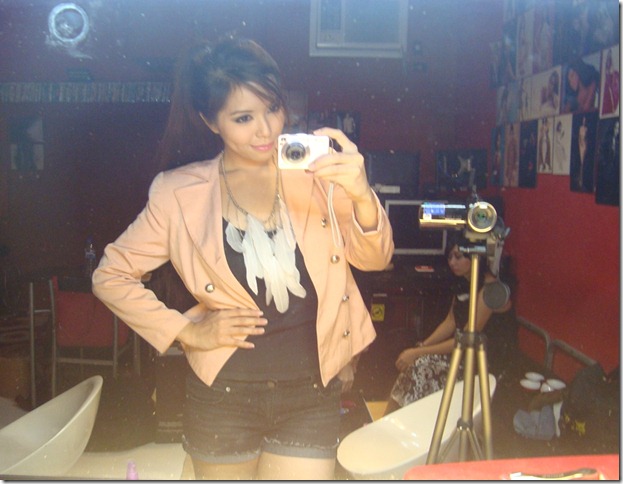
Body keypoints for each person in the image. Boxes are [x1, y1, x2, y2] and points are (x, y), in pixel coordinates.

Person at [92, 37, 394, 480]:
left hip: (311, 392)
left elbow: (375, 260)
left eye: (273, 109)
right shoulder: (179, 193)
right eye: (243, 118)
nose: (265, 131)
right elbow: (111, 275)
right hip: (224, 396)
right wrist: (186, 331)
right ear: (210, 121)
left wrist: (362, 193)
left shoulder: (318, 175)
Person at [384, 232, 517, 415]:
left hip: (485, 360)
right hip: (465, 354)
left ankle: (407, 418)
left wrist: (417, 353)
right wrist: (421, 346)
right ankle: (393, 418)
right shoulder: (464, 282)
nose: (452, 262)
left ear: (475, 257)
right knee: (418, 363)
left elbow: (466, 339)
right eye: (450, 257)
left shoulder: (490, 289)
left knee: (421, 367)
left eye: (458, 257)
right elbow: (450, 322)